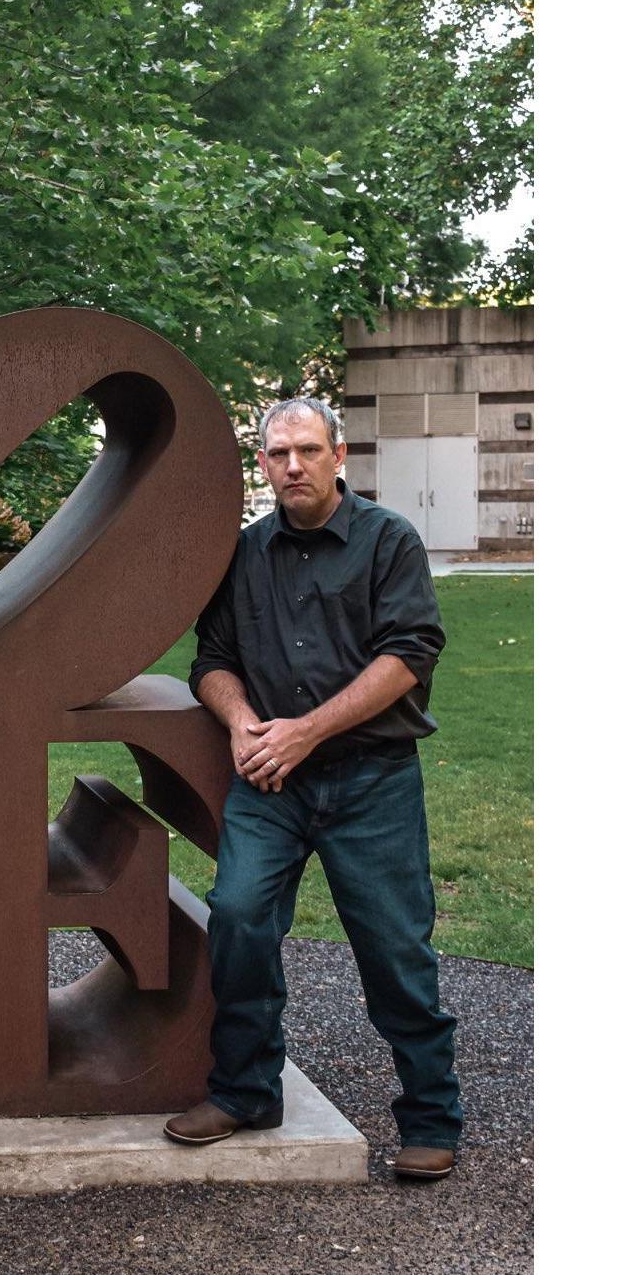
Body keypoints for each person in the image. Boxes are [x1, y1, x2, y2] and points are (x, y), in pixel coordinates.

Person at [168, 398, 462, 1180]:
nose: (290, 467)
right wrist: (239, 723)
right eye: (275, 455)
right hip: (272, 779)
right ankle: (244, 1091)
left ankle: (431, 1117)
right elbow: (212, 660)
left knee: (396, 950)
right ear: (261, 465)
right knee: (237, 918)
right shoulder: (242, 554)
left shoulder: (387, 541)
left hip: (372, 780)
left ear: (340, 455)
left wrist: (308, 730)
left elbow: (410, 652)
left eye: (305, 450)